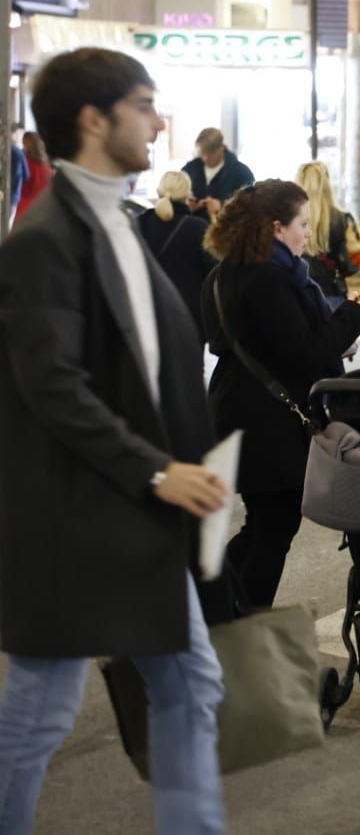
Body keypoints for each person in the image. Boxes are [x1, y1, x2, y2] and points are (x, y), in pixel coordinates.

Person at [0, 47, 229, 832]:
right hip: (78, 519)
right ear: (95, 120)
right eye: (144, 104)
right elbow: (53, 386)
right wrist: (159, 470)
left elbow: (150, 367)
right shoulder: (43, 240)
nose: (159, 121)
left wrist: (184, 470)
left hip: (137, 518)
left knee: (190, 686)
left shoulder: (120, 221)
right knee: (37, 716)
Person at [204, 179, 360, 609]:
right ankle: (242, 625)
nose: (308, 234)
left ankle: (212, 609)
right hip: (267, 421)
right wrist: (353, 316)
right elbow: (306, 352)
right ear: (277, 228)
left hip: (243, 407)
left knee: (264, 524)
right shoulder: (268, 278)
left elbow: (274, 340)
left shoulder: (230, 270)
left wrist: (333, 334)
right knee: (273, 526)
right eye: (302, 224)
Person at [137, 170, 216, 330]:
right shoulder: (198, 227)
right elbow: (211, 273)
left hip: (148, 310)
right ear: (187, 195)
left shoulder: (140, 223)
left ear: (159, 191)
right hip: (188, 316)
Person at [295, 161, 360, 299]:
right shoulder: (343, 218)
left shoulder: (288, 219)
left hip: (297, 294)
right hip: (332, 294)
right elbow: (353, 264)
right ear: (327, 185)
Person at [181, 127, 254, 220]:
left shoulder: (241, 173)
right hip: (193, 230)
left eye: (210, 153)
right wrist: (186, 206)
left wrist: (223, 205)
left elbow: (251, 206)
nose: (205, 158)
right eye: (202, 153)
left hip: (227, 231)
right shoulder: (189, 169)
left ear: (221, 148)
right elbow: (176, 200)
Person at [13, 131, 51, 220]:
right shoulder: (46, 166)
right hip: (41, 209)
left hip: (24, 208)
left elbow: (19, 183)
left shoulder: (25, 163)